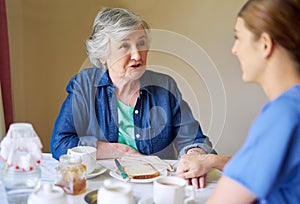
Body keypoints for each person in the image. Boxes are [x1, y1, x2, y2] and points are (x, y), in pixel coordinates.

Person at [50, 8, 215, 165]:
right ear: (102, 55)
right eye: (125, 46)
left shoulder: (165, 86)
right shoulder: (84, 85)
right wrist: (117, 150)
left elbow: (195, 140)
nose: (137, 55)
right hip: (103, 184)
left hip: (155, 182)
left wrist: (194, 155)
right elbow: (60, 143)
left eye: (141, 43)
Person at [177, 0, 300, 203]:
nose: (234, 49)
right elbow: (263, 164)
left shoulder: (282, 114)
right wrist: (211, 160)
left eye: (238, 37)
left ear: (265, 45)